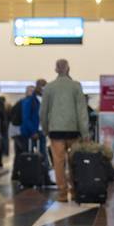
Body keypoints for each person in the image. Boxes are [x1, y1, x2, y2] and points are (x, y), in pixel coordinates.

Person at [40, 59, 90, 202]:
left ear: (56, 69)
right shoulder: (76, 86)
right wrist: (85, 132)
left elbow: (43, 112)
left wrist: (45, 128)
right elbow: (81, 111)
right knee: (74, 161)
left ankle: (62, 193)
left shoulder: (49, 87)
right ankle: (74, 191)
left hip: (55, 131)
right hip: (73, 130)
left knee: (58, 162)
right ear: (69, 69)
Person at [21, 79, 50, 182]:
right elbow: (26, 117)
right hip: (33, 132)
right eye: (41, 86)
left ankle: (44, 176)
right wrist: (33, 131)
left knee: (44, 155)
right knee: (31, 155)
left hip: (42, 131)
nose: (43, 88)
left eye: (44, 86)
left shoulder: (46, 100)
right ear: (37, 86)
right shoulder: (30, 101)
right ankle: (31, 176)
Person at [10, 85, 33, 179]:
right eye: (31, 91)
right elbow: (25, 118)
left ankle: (15, 174)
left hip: (16, 131)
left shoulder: (20, 102)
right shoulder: (26, 103)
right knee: (23, 152)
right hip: (21, 132)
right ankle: (24, 173)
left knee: (19, 153)